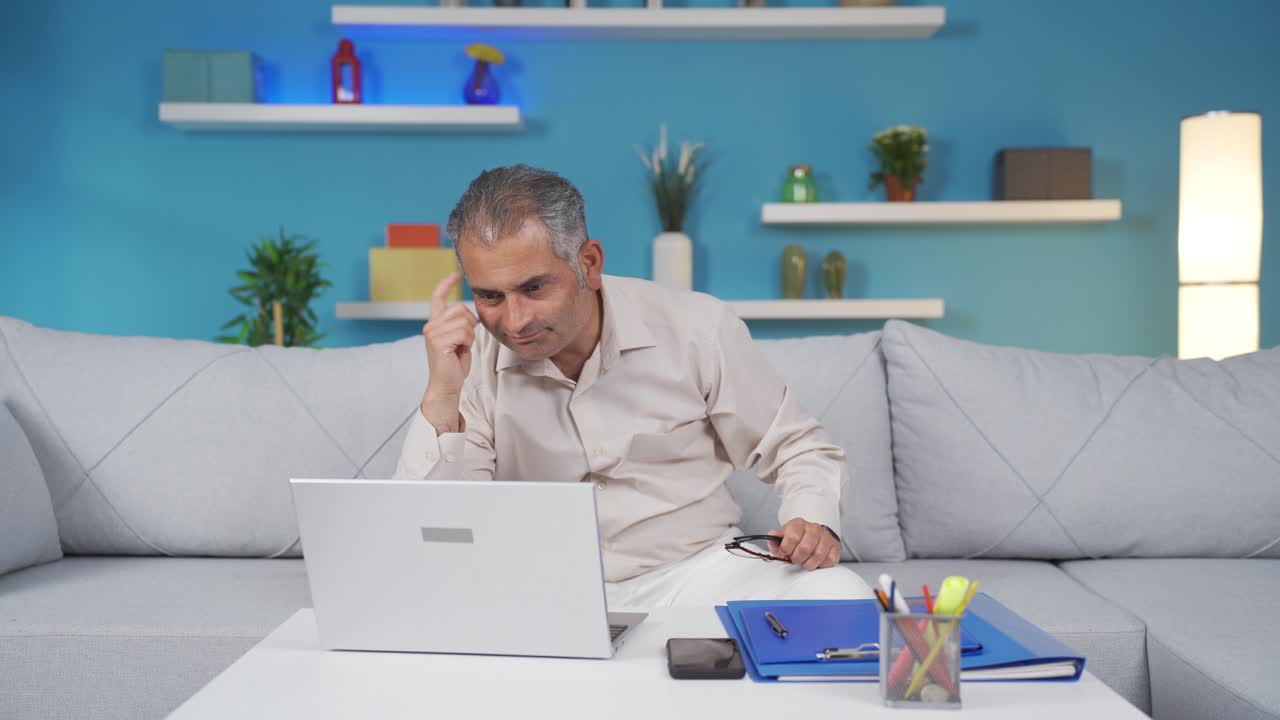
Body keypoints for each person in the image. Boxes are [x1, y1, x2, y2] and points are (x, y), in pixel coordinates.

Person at [394, 164, 872, 608]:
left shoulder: (697, 327)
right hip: (538, 587)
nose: (514, 321)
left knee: (837, 593)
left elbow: (798, 447)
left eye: (534, 288)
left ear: (589, 263)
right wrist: (442, 395)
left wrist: (811, 519)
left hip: (696, 575)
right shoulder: (468, 358)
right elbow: (429, 529)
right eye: (489, 296)